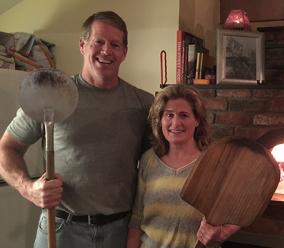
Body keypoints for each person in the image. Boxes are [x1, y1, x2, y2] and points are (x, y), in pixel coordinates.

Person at [0, 11, 153, 248]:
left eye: (115, 44)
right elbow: (6, 148)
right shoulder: (50, 94)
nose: (106, 50)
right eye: (98, 42)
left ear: (124, 52)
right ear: (82, 45)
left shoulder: (144, 104)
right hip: (60, 228)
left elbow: (160, 166)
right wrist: (28, 188)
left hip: (119, 231)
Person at [126, 85, 240, 248]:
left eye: (184, 115)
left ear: (197, 120)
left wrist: (222, 233)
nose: (175, 123)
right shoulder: (148, 160)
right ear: (161, 120)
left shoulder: (214, 161)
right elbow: (136, 219)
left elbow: (240, 207)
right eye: (169, 115)